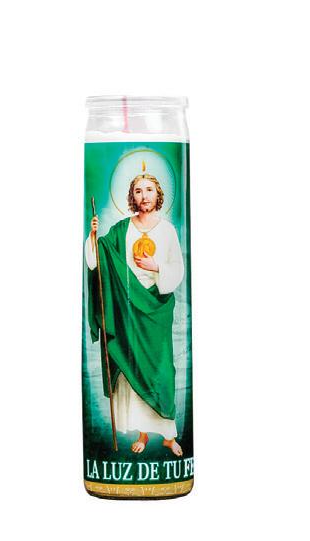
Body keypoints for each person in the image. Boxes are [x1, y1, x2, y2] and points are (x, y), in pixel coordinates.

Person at [85, 173, 184, 456]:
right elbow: (99, 259)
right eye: (138, 191)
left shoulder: (167, 231)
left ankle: (168, 436)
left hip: (156, 310)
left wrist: (157, 267)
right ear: (132, 197)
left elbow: (177, 268)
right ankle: (142, 433)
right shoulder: (121, 229)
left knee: (162, 372)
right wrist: (93, 237)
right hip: (128, 310)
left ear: (158, 195)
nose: (144, 196)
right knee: (134, 371)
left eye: (149, 190)